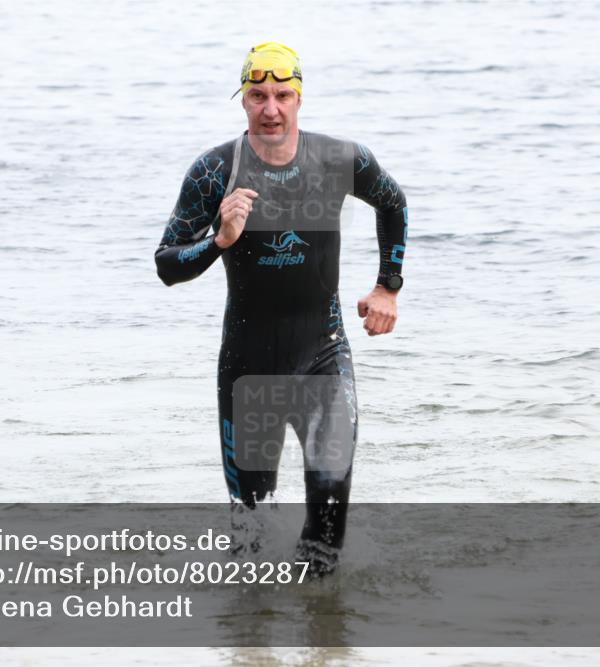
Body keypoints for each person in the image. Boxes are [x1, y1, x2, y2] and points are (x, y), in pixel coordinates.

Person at [155, 41, 407, 575]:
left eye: (282, 95)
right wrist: (220, 238)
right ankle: (252, 649)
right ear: (242, 100)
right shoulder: (214, 171)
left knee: (328, 521)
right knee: (252, 540)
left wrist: (388, 287)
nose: (270, 108)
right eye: (257, 96)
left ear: (299, 98)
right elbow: (167, 264)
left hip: (322, 356)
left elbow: (393, 201)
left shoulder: (340, 160)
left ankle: (325, 645)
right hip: (248, 370)